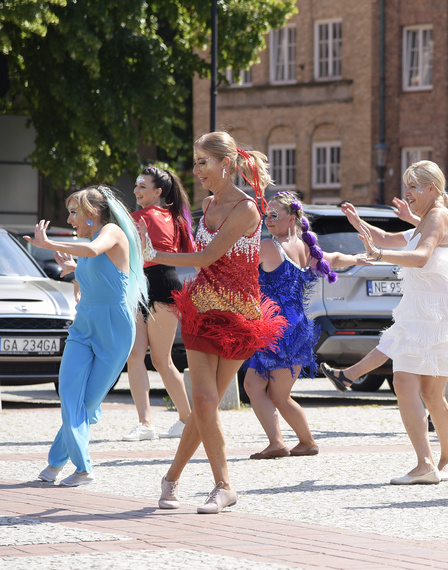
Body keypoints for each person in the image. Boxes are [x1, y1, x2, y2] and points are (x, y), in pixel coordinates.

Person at [143, 132, 288, 514]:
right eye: (195, 162)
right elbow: (195, 256)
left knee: (206, 408)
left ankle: (170, 478)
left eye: (202, 162)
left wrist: (154, 254)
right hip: (201, 310)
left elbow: (207, 257)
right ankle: (224, 486)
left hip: (240, 317)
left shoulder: (247, 209)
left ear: (226, 164)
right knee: (205, 402)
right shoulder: (207, 204)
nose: (196, 170)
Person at [322, 160, 448, 484]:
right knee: (416, 387)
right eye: (406, 185)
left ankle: (441, 461)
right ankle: (433, 462)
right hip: (424, 313)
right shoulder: (428, 219)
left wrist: (378, 254)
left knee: (428, 391)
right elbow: (386, 238)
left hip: (434, 316)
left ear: (431, 189)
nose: (407, 192)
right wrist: (359, 224)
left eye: (413, 186)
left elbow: (420, 257)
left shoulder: (437, 216)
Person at [28, 186, 147, 487]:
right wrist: (74, 269)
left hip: (114, 329)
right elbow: (93, 265)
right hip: (83, 326)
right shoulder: (89, 242)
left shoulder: (111, 232)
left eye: (73, 212)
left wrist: (48, 243)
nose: (70, 220)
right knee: (69, 396)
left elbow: (94, 252)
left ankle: (58, 465)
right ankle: (81, 468)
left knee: (86, 402)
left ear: (92, 212)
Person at [243, 191, 359, 459]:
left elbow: (238, 267)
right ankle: (306, 442)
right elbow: (334, 258)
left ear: (292, 218)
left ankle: (277, 443)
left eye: (274, 215)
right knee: (279, 395)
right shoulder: (308, 249)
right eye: (267, 215)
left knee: (253, 386)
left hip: (274, 327)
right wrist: (357, 258)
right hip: (299, 328)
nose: (268, 220)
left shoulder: (269, 247)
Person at [123, 166, 194, 441]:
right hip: (153, 283)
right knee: (139, 356)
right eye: (136, 185)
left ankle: (185, 420)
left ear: (158, 192)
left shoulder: (139, 218)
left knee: (158, 359)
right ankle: (149, 424)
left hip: (157, 284)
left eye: (142, 186)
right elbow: (190, 253)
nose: (136, 190)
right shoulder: (175, 218)